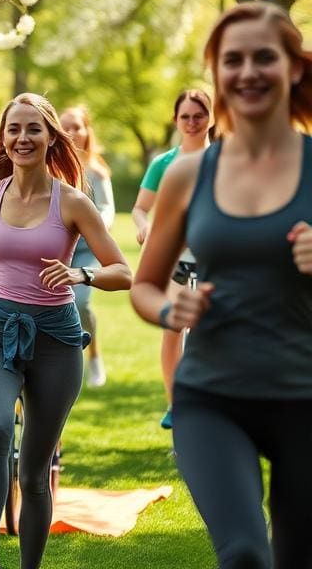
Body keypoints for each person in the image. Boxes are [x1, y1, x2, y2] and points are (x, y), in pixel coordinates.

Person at [131, 2, 312, 569]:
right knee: (244, 554)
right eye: (232, 60)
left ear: (294, 67)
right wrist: (171, 310)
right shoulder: (188, 174)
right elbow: (145, 286)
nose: (248, 72)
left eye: (264, 57)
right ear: (217, 73)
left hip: (304, 396)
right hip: (212, 397)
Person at [0, 93, 131, 569]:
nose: (22, 138)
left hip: (56, 339)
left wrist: (81, 274)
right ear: (3, 138)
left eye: (33, 129)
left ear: (50, 138)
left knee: (34, 472)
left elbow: (123, 271)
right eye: (14, 129)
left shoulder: (73, 202)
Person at [131, 88, 213, 429]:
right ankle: (174, 403)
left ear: (211, 117)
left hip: (212, 261)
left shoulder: (224, 159)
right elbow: (140, 208)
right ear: (176, 120)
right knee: (172, 329)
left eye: (199, 115)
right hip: (175, 262)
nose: (192, 123)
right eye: (185, 117)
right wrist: (145, 228)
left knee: (212, 334)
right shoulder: (164, 164)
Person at [59, 106, 115, 387]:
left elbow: (107, 209)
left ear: (87, 131)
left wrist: (92, 227)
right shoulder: (51, 169)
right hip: (57, 248)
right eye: (65, 127)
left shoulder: (97, 173)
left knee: (80, 302)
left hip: (86, 250)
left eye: (77, 127)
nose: (71, 132)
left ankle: (93, 353)